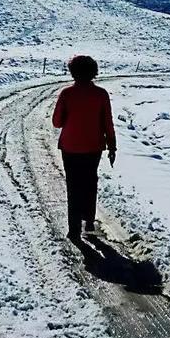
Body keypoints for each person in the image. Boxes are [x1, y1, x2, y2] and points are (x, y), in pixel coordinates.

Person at [52, 54, 116, 241]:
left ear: (73, 72)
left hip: (70, 146)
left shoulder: (66, 94)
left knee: (73, 185)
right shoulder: (101, 94)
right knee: (90, 183)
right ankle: (88, 221)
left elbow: (56, 122)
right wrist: (112, 145)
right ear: (93, 72)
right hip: (93, 146)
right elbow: (108, 123)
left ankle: (73, 230)